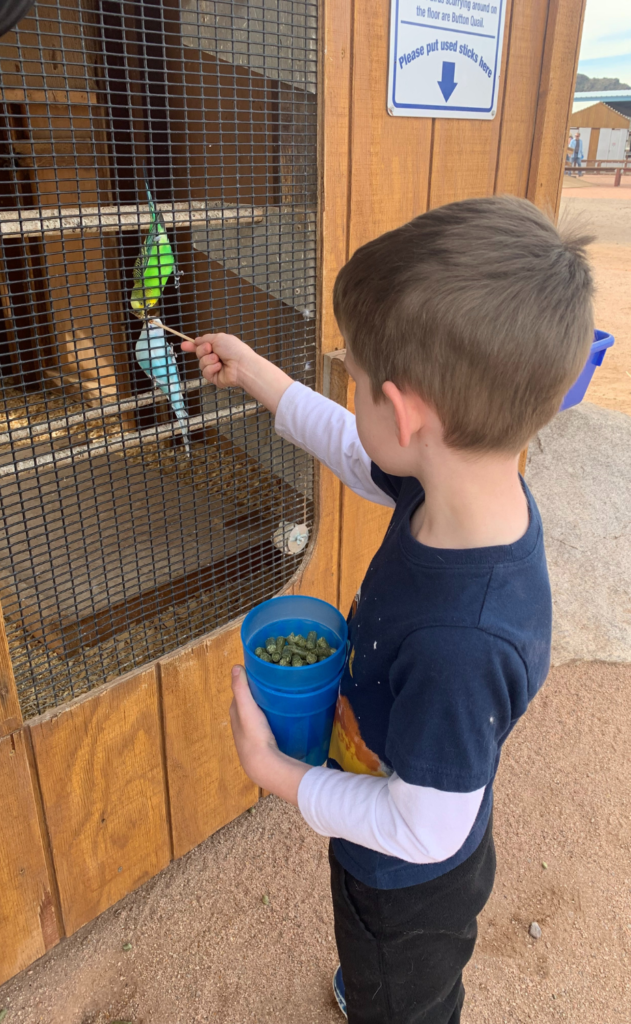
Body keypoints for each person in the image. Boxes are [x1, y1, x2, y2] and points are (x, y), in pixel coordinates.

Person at [182, 196, 594, 1024]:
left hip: (408, 878)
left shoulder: (460, 644)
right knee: (374, 957)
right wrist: (261, 375)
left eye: (359, 381)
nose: (354, 395)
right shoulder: (457, 483)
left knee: (398, 984)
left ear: (405, 413)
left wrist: (277, 776)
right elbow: (351, 444)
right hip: (394, 798)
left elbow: (423, 832)